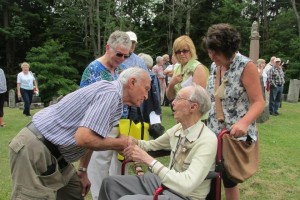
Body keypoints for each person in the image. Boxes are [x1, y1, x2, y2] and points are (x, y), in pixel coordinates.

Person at [9, 67, 151, 200]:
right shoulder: (111, 94)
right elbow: (84, 138)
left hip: (58, 155)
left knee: (74, 192)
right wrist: (121, 143)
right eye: (146, 89)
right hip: (35, 147)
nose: (146, 96)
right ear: (132, 82)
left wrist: (83, 170)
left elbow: (93, 136)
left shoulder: (116, 101)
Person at [99, 84, 217, 200]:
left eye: (179, 98)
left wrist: (147, 159)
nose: (173, 102)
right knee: (109, 183)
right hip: (167, 185)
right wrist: (134, 142)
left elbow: (186, 185)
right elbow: (152, 145)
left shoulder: (207, 140)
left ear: (193, 107)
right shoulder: (178, 129)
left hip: (186, 195)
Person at [202, 23, 264, 200]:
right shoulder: (215, 66)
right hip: (214, 132)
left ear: (229, 49)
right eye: (210, 51)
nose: (212, 55)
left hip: (234, 136)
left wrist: (244, 123)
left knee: (230, 180)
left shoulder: (246, 66)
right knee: (209, 178)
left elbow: (259, 102)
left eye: (216, 52)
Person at [80, 30, 132, 200]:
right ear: (107, 47)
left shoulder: (121, 70)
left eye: (127, 55)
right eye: (119, 54)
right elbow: (84, 102)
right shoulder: (93, 69)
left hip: (118, 126)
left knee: (117, 168)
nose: (122, 59)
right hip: (98, 127)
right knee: (98, 168)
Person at [166, 35, 207, 102]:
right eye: (178, 52)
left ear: (191, 51)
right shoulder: (177, 68)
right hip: (179, 108)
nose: (181, 54)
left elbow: (198, 98)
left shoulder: (198, 68)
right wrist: (171, 84)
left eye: (185, 51)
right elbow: (169, 97)